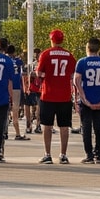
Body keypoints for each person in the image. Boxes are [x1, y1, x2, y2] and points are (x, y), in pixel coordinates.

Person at [34, 30, 76, 164]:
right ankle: (63, 154)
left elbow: (39, 72)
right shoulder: (69, 55)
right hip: (64, 95)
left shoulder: (45, 54)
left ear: (51, 40)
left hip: (48, 94)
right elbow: (72, 74)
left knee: (47, 126)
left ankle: (47, 154)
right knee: (64, 126)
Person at [75, 38, 100, 164]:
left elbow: (77, 81)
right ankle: (99, 154)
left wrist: (83, 98)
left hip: (86, 100)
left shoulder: (82, 62)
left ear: (87, 48)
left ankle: (89, 155)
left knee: (86, 128)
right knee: (99, 128)